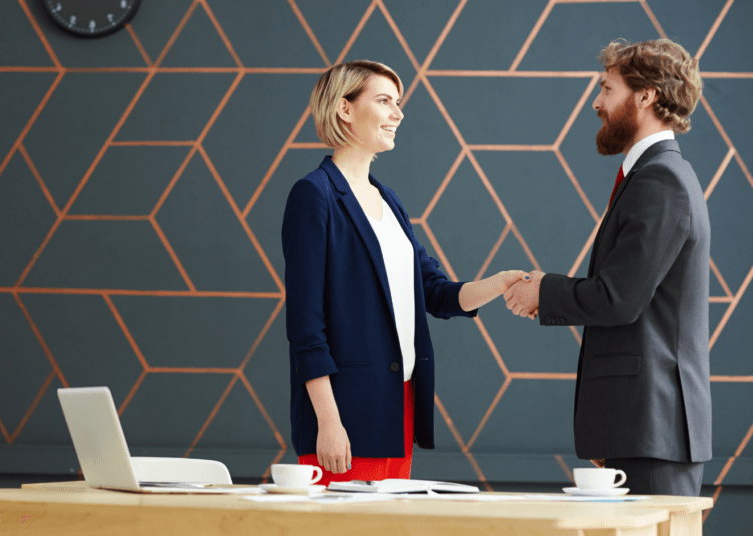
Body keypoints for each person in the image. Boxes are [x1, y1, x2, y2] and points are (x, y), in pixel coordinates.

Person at [282, 60, 528, 484]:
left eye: (398, 104)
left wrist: (500, 282)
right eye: (384, 101)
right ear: (344, 108)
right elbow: (306, 323)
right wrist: (328, 422)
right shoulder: (314, 195)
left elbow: (434, 293)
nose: (398, 114)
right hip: (343, 415)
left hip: (397, 406)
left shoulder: (389, 201)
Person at [503, 39, 711, 496]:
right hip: (640, 431)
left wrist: (543, 292)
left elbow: (620, 298)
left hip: (654, 433)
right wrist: (610, 428)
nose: (597, 103)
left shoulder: (661, 180)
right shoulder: (653, 176)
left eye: (606, 89)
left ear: (646, 95)